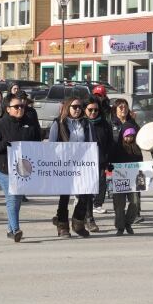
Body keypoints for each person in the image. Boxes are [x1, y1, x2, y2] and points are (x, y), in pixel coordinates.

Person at [0, 94, 38, 242]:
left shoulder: (30, 123)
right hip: (5, 168)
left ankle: (10, 229)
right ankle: (16, 229)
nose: (20, 109)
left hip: (23, 169)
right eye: (16, 107)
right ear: (8, 109)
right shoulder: (1, 124)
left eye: (22, 106)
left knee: (17, 199)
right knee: (12, 198)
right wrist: (4, 144)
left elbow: (37, 142)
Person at [49, 96, 95, 238]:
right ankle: (62, 225)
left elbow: (91, 143)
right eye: (74, 107)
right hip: (64, 164)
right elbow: (51, 144)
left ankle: (78, 222)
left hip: (83, 164)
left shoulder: (86, 124)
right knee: (65, 196)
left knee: (85, 194)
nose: (77, 109)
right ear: (68, 107)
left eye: (79, 107)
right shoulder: (59, 123)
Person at [84, 95, 113, 232]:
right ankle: (88, 218)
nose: (93, 113)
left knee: (97, 190)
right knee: (86, 193)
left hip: (99, 162)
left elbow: (109, 144)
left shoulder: (104, 124)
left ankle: (86, 216)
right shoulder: (81, 124)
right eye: (90, 110)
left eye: (95, 110)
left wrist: (108, 161)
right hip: (82, 165)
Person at [109, 123, 144, 235]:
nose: (129, 138)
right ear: (122, 136)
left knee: (135, 202)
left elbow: (141, 164)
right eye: (127, 136)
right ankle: (120, 227)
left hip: (133, 180)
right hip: (120, 179)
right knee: (119, 204)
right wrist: (110, 166)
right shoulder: (116, 147)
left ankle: (128, 223)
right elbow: (110, 160)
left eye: (132, 136)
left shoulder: (137, 148)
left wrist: (149, 168)